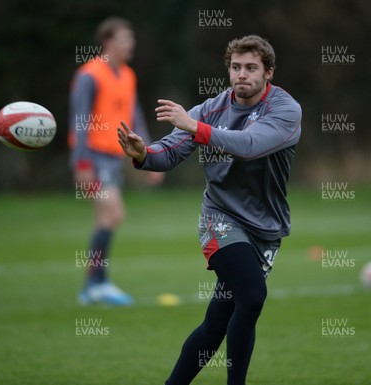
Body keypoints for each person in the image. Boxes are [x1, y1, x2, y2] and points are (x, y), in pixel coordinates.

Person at [118, 34, 301, 385]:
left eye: (251, 68)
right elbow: (168, 153)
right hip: (220, 218)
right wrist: (143, 154)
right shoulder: (210, 110)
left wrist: (195, 128)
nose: (241, 75)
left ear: (269, 74)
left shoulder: (285, 110)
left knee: (217, 323)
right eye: (235, 67)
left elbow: (249, 145)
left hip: (265, 228)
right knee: (251, 295)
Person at [69, 17, 163, 306]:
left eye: (131, 39)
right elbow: (79, 121)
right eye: (125, 39)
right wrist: (81, 164)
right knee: (114, 214)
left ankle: (93, 286)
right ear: (108, 42)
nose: (130, 44)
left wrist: (150, 154)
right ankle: (97, 284)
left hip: (113, 158)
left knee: (105, 218)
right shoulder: (90, 75)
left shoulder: (128, 75)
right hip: (94, 158)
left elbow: (135, 118)